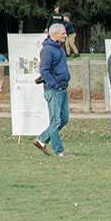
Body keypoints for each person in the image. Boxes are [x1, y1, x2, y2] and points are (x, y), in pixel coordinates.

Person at [32, 24, 71, 157]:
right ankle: (59, 151)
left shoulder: (59, 48)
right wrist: (54, 85)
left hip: (62, 88)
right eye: (63, 33)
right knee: (55, 121)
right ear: (55, 34)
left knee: (64, 119)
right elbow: (44, 70)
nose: (65, 36)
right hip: (54, 90)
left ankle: (42, 140)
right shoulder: (48, 50)